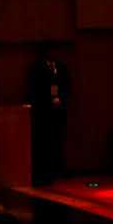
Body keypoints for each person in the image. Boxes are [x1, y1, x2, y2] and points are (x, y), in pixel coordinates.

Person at [27, 45, 70, 184]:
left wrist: (61, 99)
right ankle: (44, 172)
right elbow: (34, 88)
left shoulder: (61, 67)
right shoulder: (36, 68)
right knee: (44, 141)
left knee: (57, 140)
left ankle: (56, 170)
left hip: (58, 110)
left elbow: (66, 85)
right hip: (43, 111)